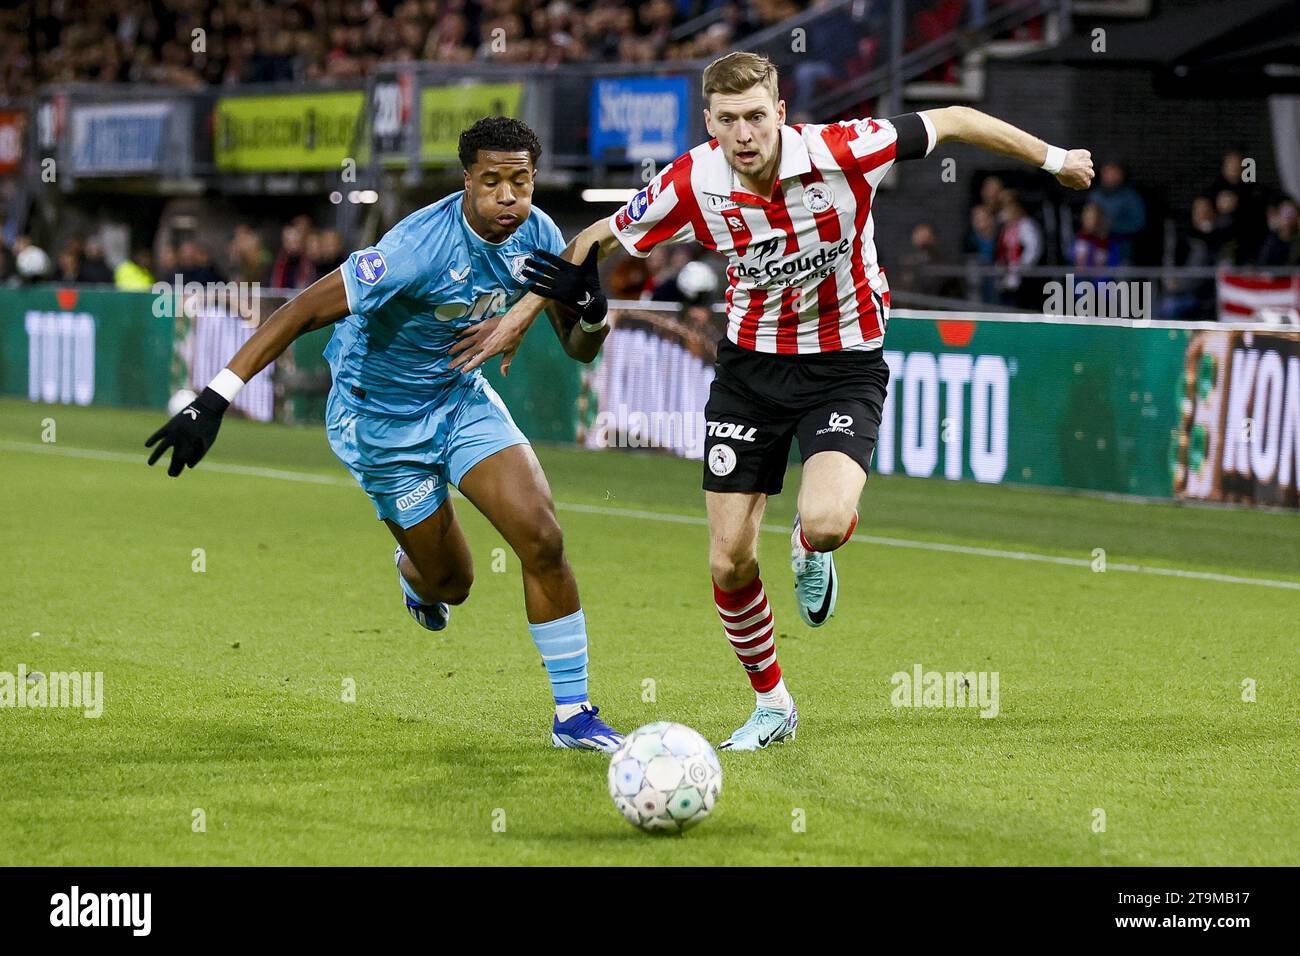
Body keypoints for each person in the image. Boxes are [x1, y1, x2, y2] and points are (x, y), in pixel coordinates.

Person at [453, 51, 1094, 751]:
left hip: (843, 367)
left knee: (821, 520)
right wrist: (520, 317)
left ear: (781, 113)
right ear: (710, 124)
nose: (745, 133)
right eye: (728, 120)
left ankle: (812, 549)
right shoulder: (690, 181)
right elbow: (591, 239)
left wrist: (1054, 157)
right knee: (728, 561)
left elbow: (959, 118)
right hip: (749, 373)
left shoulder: (844, 151)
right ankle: (773, 705)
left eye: (757, 115)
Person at [143, 116, 625, 752]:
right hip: (380, 422)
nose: (509, 197)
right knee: (453, 583)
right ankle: (413, 574)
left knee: (542, 537)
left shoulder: (537, 234)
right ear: (466, 182)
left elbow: (578, 349)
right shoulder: (415, 248)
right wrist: (215, 398)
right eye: (492, 183)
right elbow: (301, 311)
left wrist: (592, 309)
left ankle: (573, 716)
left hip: (459, 400)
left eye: (521, 181)